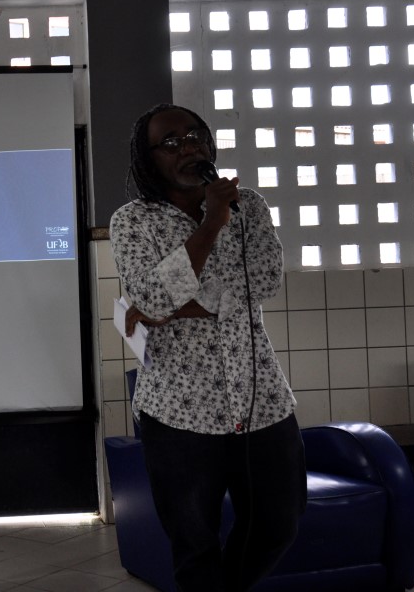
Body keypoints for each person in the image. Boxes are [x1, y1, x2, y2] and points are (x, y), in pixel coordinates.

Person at [109, 103, 306, 592]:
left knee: (278, 523)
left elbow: (264, 281)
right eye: (172, 142)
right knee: (194, 545)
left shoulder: (249, 206)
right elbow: (151, 299)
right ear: (148, 157)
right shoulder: (133, 221)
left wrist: (177, 305)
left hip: (261, 400)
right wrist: (211, 223)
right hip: (178, 411)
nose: (189, 146)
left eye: (196, 135)